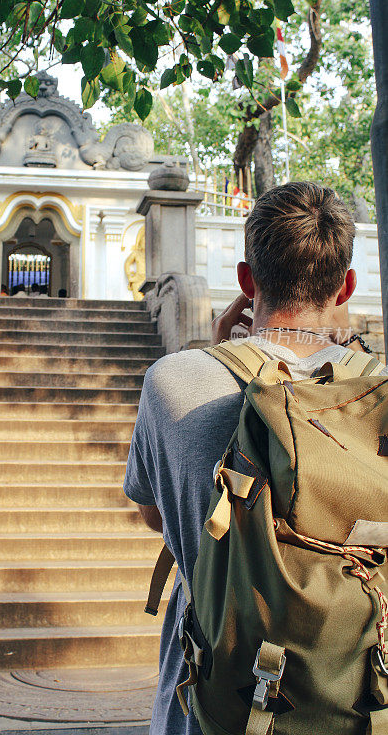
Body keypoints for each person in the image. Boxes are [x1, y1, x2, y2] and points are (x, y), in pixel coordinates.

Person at [123, 181, 387, 735]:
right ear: (347, 287)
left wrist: (210, 354)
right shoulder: (380, 392)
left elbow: (158, 515)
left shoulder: (173, 382)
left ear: (246, 280)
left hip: (215, 694)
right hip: (358, 696)